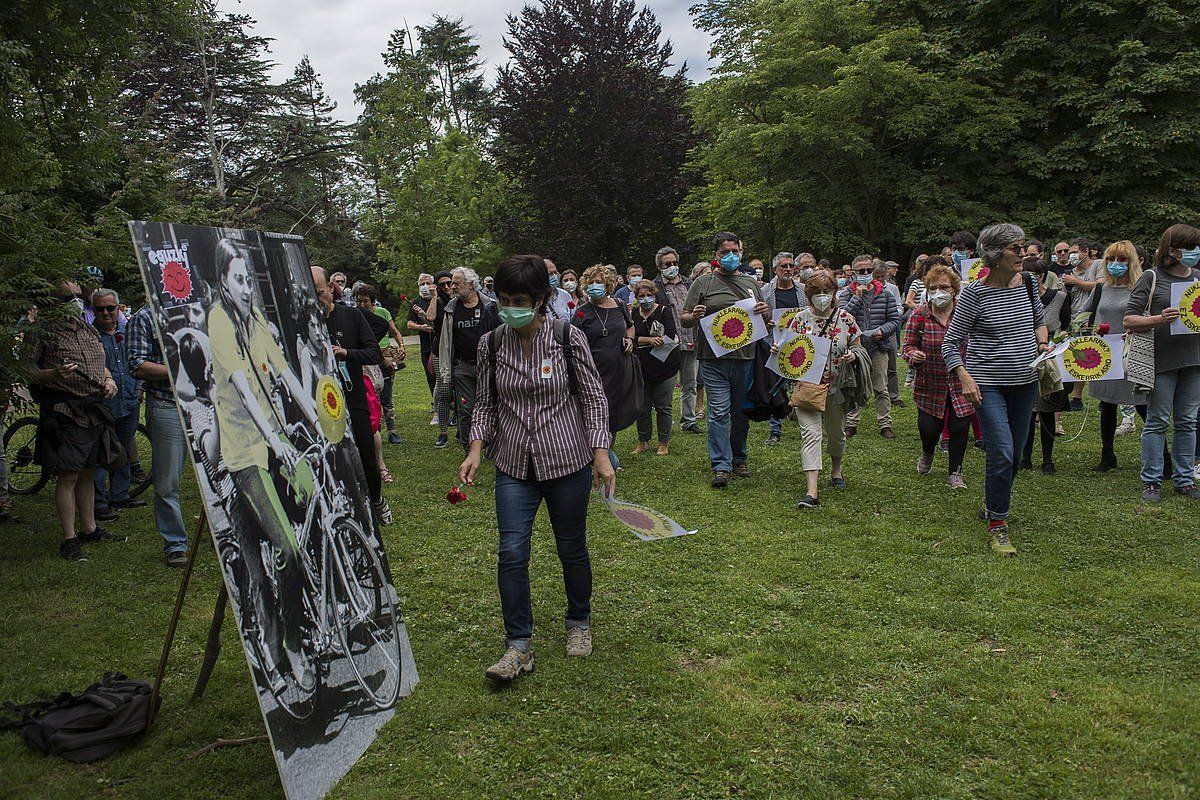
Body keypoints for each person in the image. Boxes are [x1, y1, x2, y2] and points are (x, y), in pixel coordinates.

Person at [459, 254, 615, 682]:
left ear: (543, 298)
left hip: (567, 459)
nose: (511, 307)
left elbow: (594, 399)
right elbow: (486, 404)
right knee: (511, 552)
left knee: (572, 547)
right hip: (513, 463)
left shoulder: (567, 338)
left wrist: (601, 453)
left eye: (520, 300)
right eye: (504, 299)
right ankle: (518, 646)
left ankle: (578, 622)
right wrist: (475, 449)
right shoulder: (491, 343)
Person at [943, 223, 1050, 556]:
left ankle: (991, 503)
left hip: (1025, 382)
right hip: (987, 385)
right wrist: (964, 377)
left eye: (1023, 248)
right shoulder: (974, 294)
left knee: (1015, 456)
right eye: (1015, 249)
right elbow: (951, 343)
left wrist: (1044, 343)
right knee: (1001, 452)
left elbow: (1039, 321)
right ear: (994, 254)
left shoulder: (1029, 283)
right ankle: (998, 524)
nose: (1023, 254)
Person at [26, 281, 124, 562]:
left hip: (94, 412)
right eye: (68, 297)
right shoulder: (42, 332)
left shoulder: (87, 326)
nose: (76, 301)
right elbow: (26, 369)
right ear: (53, 301)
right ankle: (69, 538)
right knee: (68, 475)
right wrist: (53, 374)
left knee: (88, 473)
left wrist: (107, 379)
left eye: (79, 296)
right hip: (66, 413)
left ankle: (89, 528)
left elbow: (99, 362)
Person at [682, 231, 769, 488]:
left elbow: (763, 319)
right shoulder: (703, 283)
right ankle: (721, 464)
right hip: (712, 358)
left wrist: (764, 312)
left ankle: (739, 457)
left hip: (745, 357)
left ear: (741, 252)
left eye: (735, 251)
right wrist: (695, 315)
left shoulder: (752, 284)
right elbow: (684, 317)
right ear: (715, 255)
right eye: (724, 252)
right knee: (718, 412)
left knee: (740, 411)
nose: (730, 256)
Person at [1124, 223, 1200, 502]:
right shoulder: (1151, 277)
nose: (1195, 252)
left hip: (1193, 360)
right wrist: (1159, 319)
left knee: (1187, 422)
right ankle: (1152, 481)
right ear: (1173, 249)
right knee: (1157, 421)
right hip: (1160, 361)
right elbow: (1130, 320)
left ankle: (1183, 480)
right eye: (1190, 247)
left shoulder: (1198, 278)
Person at [311, 267, 393, 524]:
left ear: (331, 291)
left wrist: (347, 353)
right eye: (310, 294)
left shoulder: (351, 315)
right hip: (318, 402)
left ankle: (376, 499)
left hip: (352, 395)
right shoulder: (302, 322)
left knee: (366, 452)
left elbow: (374, 354)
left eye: (321, 292)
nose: (316, 299)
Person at [787, 272, 862, 508]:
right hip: (808, 385)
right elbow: (789, 352)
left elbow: (859, 347)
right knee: (810, 434)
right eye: (817, 293)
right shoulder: (799, 320)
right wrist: (780, 351)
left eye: (826, 292)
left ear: (834, 294)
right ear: (809, 296)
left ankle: (836, 469)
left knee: (836, 433)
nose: (822, 297)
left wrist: (853, 355)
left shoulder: (846, 319)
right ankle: (812, 491)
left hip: (837, 386)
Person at [127, 302, 190, 566]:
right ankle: (175, 544)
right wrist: (179, 370)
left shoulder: (195, 308)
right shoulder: (143, 317)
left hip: (208, 405)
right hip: (167, 405)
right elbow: (137, 365)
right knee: (167, 482)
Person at [903, 265, 973, 488]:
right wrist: (913, 355)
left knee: (959, 428)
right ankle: (927, 452)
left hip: (961, 382)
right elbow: (907, 346)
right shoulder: (920, 314)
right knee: (929, 429)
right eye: (933, 288)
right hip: (929, 382)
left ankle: (955, 472)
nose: (939, 292)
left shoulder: (966, 313)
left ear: (954, 289)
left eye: (944, 287)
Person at [1087, 241, 1150, 472]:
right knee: (1108, 402)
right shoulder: (1100, 288)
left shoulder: (1141, 288)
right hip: (1106, 354)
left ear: (1132, 261)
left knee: (1142, 403)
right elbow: (1086, 316)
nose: (1115, 264)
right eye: (1111, 259)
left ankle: (1162, 457)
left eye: (1122, 259)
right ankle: (1107, 455)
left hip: (1133, 352)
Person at [90, 289, 145, 521]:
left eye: (110, 308)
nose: (105, 313)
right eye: (100, 308)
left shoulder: (129, 331)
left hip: (129, 399)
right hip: (102, 405)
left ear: (118, 308)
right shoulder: (90, 336)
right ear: (93, 310)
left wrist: (140, 387)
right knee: (101, 452)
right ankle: (99, 503)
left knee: (123, 448)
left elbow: (141, 358)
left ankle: (121, 495)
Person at [573, 265, 634, 469]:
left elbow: (630, 325)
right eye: (590, 283)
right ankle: (591, 456)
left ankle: (607, 454)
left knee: (612, 412)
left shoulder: (620, 305)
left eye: (598, 282)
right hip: (592, 371)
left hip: (618, 368)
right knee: (593, 412)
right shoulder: (581, 313)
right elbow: (572, 342)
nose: (594, 286)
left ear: (607, 284)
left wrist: (630, 339)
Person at [843, 259, 900, 438]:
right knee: (854, 385)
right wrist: (857, 297)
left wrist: (883, 331)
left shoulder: (886, 294)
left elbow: (895, 320)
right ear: (853, 272)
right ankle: (851, 423)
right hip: (855, 348)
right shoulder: (846, 293)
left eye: (868, 270)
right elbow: (842, 317)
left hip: (878, 346)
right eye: (861, 271)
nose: (865, 273)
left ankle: (885, 424)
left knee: (881, 387)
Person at [653, 247, 699, 433]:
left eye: (674, 263)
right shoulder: (655, 286)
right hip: (668, 342)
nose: (672, 267)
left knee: (690, 383)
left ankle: (689, 420)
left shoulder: (689, 284)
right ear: (659, 267)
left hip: (691, 339)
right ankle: (665, 420)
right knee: (666, 385)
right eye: (667, 264)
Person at [762, 251, 807, 444]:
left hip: (800, 345)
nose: (788, 269)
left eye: (791, 266)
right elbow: (757, 320)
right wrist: (767, 323)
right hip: (774, 344)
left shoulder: (803, 290)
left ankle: (806, 427)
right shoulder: (765, 292)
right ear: (775, 270)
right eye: (784, 266)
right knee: (775, 388)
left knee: (803, 385)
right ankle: (775, 430)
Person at [631, 279, 680, 455]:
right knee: (642, 407)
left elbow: (670, 334)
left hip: (665, 365)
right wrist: (648, 340)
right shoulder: (633, 314)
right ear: (636, 297)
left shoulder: (664, 311)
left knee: (663, 406)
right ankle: (643, 441)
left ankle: (663, 442)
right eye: (641, 296)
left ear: (654, 295)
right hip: (641, 366)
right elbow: (629, 337)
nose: (645, 299)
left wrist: (643, 340)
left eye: (649, 295)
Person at [354, 284, 405, 444]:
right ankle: (375, 431)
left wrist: (401, 345)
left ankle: (392, 431)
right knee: (370, 397)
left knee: (386, 396)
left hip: (384, 356)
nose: (362, 305)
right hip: (367, 360)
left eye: (365, 301)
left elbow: (394, 330)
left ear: (373, 301)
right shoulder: (355, 316)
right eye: (359, 301)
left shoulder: (382, 313)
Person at [407, 273, 440, 418]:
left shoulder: (439, 299)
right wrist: (421, 327)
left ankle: (448, 401)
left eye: (427, 283)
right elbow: (409, 324)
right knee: (430, 375)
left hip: (440, 343)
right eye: (422, 284)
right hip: (426, 345)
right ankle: (436, 402)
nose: (425, 286)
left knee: (443, 375)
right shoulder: (416, 302)